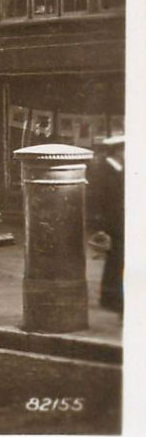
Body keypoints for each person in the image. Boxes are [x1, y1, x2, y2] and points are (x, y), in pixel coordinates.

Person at [96, 135, 125, 315]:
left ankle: (109, 295)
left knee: (115, 259)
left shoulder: (119, 170)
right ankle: (111, 296)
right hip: (112, 223)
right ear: (117, 150)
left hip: (117, 222)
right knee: (116, 258)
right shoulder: (105, 170)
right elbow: (102, 200)